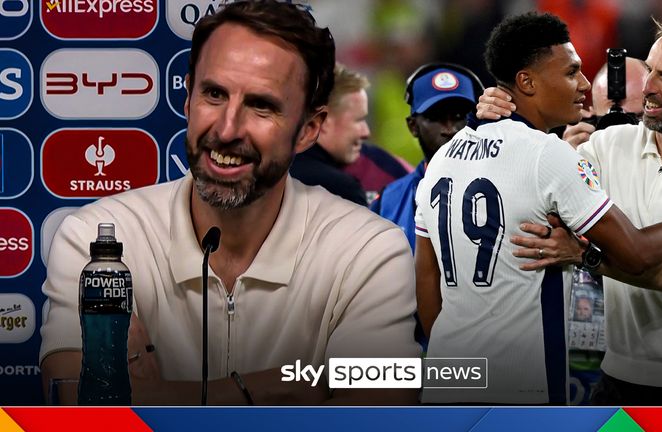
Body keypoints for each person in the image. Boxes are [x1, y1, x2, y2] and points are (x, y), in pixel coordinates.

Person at [40, 0, 420, 405]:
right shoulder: (97, 239)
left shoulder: (368, 248)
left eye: (262, 105)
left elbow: (374, 412)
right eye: (214, 94)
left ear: (309, 129)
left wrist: (152, 397)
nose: (226, 129)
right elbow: (73, 403)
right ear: (188, 100)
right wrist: (282, 387)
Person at [415, 12, 662, 405]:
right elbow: (632, 247)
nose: (647, 86)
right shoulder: (597, 149)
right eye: (650, 71)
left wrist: (582, 255)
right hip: (581, 382)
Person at [371, 63, 483, 252]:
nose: (449, 129)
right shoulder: (388, 202)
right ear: (413, 126)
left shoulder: (510, 185)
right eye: (436, 117)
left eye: (459, 116)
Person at [290, 63, 370, 206]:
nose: (366, 132)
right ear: (324, 121)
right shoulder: (341, 190)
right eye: (359, 120)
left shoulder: (268, 175)